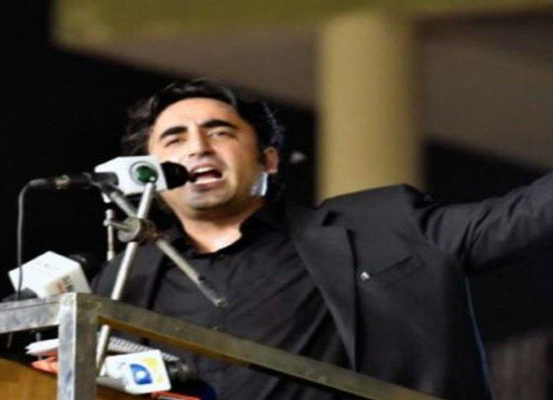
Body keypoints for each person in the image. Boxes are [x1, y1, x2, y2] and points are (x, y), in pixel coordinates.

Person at [93, 78, 553, 399]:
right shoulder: (125, 280)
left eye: (220, 132)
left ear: (269, 160)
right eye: (175, 139)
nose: (198, 147)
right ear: (146, 174)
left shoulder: (379, 229)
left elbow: (517, 218)